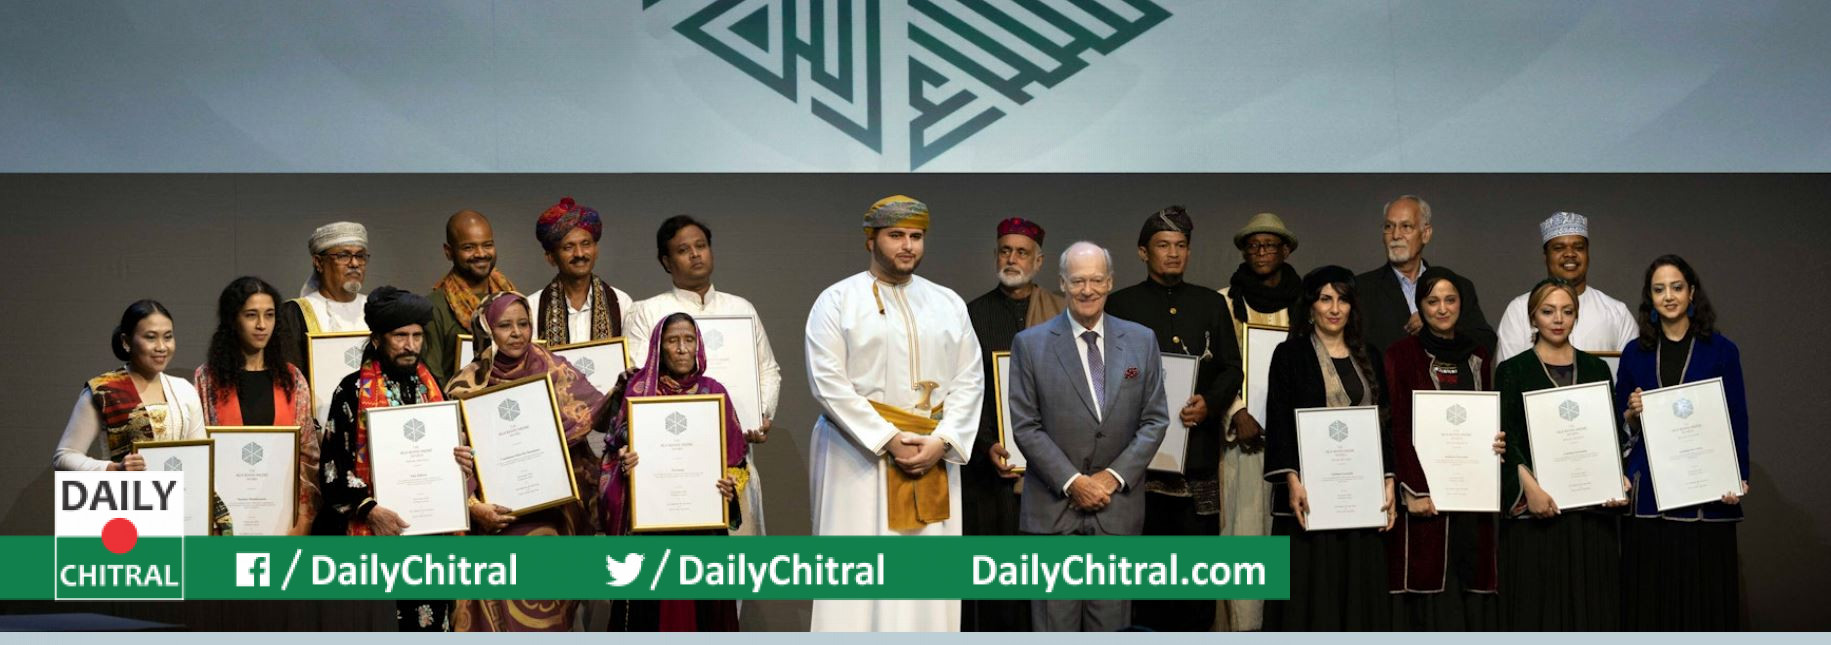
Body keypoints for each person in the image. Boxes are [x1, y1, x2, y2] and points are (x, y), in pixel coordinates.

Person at [804, 195, 983, 632]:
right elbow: (828, 383)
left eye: (916, 236)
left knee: (927, 579)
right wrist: (887, 438)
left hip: (932, 453)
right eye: (896, 235)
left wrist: (943, 440)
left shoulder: (948, 302)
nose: (908, 246)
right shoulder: (836, 301)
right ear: (871, 240)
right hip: (857, 454)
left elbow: (970, 379)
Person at [1008, 241, 1168, 631]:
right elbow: (1026, 425)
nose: (1087, 290)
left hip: (1116, 512)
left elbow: (1155, 420)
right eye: (1078, 280)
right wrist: (1073, 482)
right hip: (1053, 514)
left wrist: (1111, 478)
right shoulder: (1030, 344)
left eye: (1096, 280)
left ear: (1110, 282)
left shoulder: (1142, 340)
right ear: (1062, 283)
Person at [1104, 206, 1243, 632]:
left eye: (1181, 245)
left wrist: (1210, 403)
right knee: (1144, 578)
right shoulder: (1120, 305)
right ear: (1143, 252)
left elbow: (1231, 368)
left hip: (1196, 457)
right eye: (1163, 245)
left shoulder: (1210, 303)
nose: (1173, 253)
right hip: (1137, 466)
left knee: (1196, 578)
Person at [447, 292, 611, 632]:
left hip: (555, 512)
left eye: (523, 324)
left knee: (548, 607)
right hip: (497, 516)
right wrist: (474, 506)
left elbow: (597, 413)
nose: (517, 333)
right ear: (487, 330)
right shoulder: (467, 385)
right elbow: (454, 456)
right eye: (505, 325)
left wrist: (624, 393)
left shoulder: (556, 370)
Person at [319, 286, 469, 631]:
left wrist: (460, 460)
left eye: (417, 336)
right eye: (400, 336)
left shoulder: (434, 389)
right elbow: (331, 470)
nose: (410, 345)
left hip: (431, 537)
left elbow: (449, 456)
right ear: (377, 340)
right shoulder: (351, 391)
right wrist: (370, 510)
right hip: (376, 535)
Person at [624, 215, 783, 540]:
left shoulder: (741, 308)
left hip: (732, 460)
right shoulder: (648, 311)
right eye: (683, 250)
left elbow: (768, 370)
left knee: (734, 557)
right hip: (668, 458)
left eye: (701, 246)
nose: (696, 254)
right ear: (666, 261)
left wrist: (759, 415)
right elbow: (639, 380)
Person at [1615, 255, 1749, 630]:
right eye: (1659, 289)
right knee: (1652, 596)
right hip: (1650, 490)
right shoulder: (1634, 353)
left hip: (1705, 488)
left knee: (1703, 596)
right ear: (1650, 298)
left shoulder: (1722, 350)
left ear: (1691, 292)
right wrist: (1632, 412)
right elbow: (1618, 421)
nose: (1669, 296)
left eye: (1676, 287)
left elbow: (1736, 414)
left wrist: (1738, 473)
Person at [1261, 266, 1395, 631]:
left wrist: (1388, 479)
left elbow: (1383, 423)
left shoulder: (1371, 355)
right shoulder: (1289, 354)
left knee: (1357, 590)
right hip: (1308, 497)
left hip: (1360, 497)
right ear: (1310, 306)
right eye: (1325, 299)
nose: (1335, 308)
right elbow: (1279, 421)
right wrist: (1292, 480)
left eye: (1343, 300)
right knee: (1308, 590)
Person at [1496, 278, 1629, 631]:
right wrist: (1530, 490)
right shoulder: (1512, 371)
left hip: (1591, 519)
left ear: (1576, 316)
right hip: (1538, 515)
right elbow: (1506, 440)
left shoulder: (1596, 369)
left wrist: (1616, 478)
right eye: (1548, 311)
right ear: (1532, 317)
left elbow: (1610, 433)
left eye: (1567, 311)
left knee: (1592, 612)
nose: (1558, 319)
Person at [600, 313, 747, 631]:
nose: (682, 348)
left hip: (703, 526)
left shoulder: (714, 392)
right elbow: (612, 452)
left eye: (689, 339)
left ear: (698, 345)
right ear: (658, 346)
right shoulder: (639, 391)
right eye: (672, 340)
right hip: (649, 527)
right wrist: (624, 464)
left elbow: (737, 461)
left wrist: (731, 485)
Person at [1382, 268, 1506, 630]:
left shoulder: (1478, 355)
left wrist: (1495, 442)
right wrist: (1414, 490)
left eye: (1450, 300)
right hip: (1425, 498)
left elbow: (1485, 416)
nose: (1442, 308)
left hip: (1472, 497)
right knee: (1427, 587)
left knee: (1471, 583)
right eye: (1432, 301)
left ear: (1461, 304)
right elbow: (1397, 425)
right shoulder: (1401, 354)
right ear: (1420, 306)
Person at [54, 300, 233, 535]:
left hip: (183, 514)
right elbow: (64, 456)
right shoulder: (104, 391)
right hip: (126, 513)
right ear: (126, 342)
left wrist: (213, 515)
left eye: (168, 337)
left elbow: (200, 460)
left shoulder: (184, 390)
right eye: (150, 337)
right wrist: (114, 469)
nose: (161, 347)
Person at [960, 216, 1061, 632]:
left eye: (1022, 252)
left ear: (1039, 261)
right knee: (996, 580)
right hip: (990, 470)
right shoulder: (971, 315)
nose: (1012, 259)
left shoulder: (1063, 314)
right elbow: (963, 391)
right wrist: (987, 445)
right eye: (1005, 251)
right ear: (995, 256)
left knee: (1049, 579)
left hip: (1052, 470)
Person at [1214, 211, 1302, 631]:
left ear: (1286, 251)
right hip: (1243, 442)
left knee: (1288, 545)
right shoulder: (1224, 302)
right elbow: (1213, 369)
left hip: (1296, 446)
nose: (1261, 252)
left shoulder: (1307, 304)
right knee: (1244, 540)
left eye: (1270, 245)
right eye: (1253, 245)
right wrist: (1236, 412)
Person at [193, 277, 319, 535]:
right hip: (223, 522)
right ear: (233, 320)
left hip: (284, 520)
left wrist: (303, 517)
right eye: (251, 315)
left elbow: (308, 456)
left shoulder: (292, 379)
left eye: (269, 315)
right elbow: (198, 454)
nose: (262, 325)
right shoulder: (207, 379)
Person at [1356, 195, 1495, 354]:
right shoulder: (1361, 289)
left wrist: (1438, 325)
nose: (1395, 235)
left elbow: (1486, 343)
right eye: (1389, 226)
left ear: (1426, 234)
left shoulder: (1459, 287)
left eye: (1406, 226)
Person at [1495, 212, 1638, 359]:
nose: (1570, 254)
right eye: (1558, 248)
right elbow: (1509, 371)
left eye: (1579, 247)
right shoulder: (1519, 310)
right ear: (1546, 257)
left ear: (1588, 254)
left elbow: (1634, 369)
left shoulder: (1617, 313)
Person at [425, 210, 516, 386]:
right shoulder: (434, 306)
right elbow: (432, 379)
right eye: (468, 247)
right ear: (449, 252)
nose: (481, 253)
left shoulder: (510, 297)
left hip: (512, 399)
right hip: (457, 401)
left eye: (487, 245)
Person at [529, 197, 633, 346]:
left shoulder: (621, 303)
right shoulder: (532, 307)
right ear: (551, 257)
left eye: (586, 244)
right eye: (568, 247)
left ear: (596, 250)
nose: (579, 253)